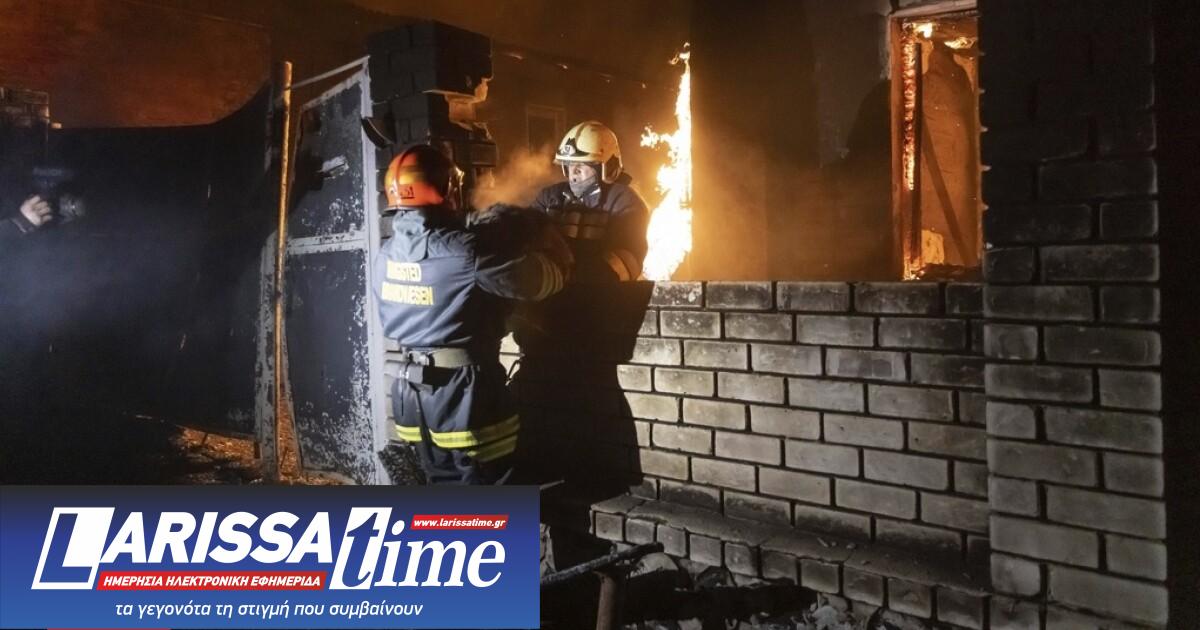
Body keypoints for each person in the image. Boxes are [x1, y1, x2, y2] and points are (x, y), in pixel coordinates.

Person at [375, 143, 569, 485]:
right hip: (463, 397)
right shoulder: (466, 253)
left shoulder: (386, 253)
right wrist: (558, 254)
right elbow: (538, 281)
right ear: (448, 189)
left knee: (441, 490)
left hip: (411, 396)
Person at [533, 121, 649, 283]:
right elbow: (526, 239)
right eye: (569, 165)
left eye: (582, 165)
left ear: (605, 166)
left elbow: (629, 258)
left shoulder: (623, 200)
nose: (573, 172)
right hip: (551, 286)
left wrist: (583, 278)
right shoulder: (550, 196)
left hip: (601, 292)